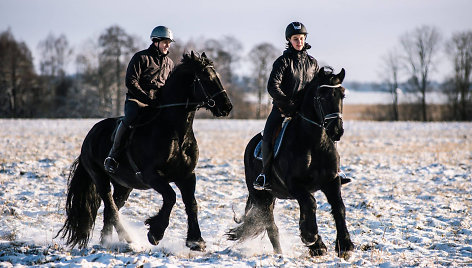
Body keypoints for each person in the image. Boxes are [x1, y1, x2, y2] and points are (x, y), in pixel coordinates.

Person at [253, 21, 319, 191]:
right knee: (267, 136)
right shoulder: (282, 61)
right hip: (283, 110)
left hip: (306, 113)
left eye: (302, 38)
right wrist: (287, 104)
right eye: (295, 39)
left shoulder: (313, 63)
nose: (299, 42)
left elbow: (317, 88)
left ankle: (334, 171)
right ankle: (265, 174)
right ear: (289, 40)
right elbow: (272, 86)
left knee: (328, 134)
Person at [104, 25, 175, 173]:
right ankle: (113, 155)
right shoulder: (141, 57)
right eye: (165, 42)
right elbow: (131, 82)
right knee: (130, 117)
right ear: (155, 42)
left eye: (169, 42)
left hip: (158, 104)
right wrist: (147, 98)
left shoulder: (170, 64)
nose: (168, 45)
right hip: (137, 100)